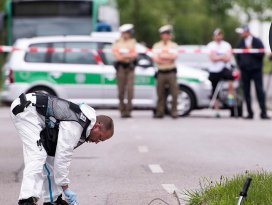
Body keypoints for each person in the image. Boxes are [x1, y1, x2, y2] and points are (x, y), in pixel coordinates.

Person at [10, 92, 114, 205]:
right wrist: (65, 188)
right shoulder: (76, 125)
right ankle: (26, 199)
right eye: (100, 138)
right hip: (26, 111)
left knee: (50, 157)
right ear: (97, 126)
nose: (97, 142)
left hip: (34, 111)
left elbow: (57, 157)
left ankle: (53, 200)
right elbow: (63, 158)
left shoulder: (83, 121)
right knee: (37, 155)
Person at [235, 24, 270, 119]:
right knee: (246, 92)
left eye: (242, 32)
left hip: (256, 70)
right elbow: (237, 55)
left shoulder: (257, 41)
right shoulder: (241, 42)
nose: (240, 34)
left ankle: (263, 113)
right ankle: (250, 113)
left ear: (247, 31)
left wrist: (251, 50)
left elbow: (261, 54)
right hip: (245, 71)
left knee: (259, 91)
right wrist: (240, 65)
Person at [207, 28, 235, 118]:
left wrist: (219, 57)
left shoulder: (226, 45)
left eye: (220, 35)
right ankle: (216, 110)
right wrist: (222, 57)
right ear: (214, 36)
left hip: (224, 68)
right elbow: (213, 59)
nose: (218, 37)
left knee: (231, 78)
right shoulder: (211, 45)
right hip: (214, 70)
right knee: (215, 90)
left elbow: (228, 58)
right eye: (216, 35)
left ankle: (230, 100)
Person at [152, 25, 179, 119]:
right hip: (161, 72)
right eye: (164, 34)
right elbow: (156, 59)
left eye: (167, 34)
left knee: (174, 93)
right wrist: (167, 57)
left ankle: (174, 111)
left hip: (171, 72)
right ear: (161, 35)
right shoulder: (157, 45)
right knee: (160, 93)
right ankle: (160, 112)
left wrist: (162, 57)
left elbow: (173, 57)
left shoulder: (174, 45)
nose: (166, 36)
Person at [112, 24, 137, 118]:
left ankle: (129, 111)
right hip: (121, 68)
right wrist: (127, 54)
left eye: (128, 33)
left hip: (130, 68)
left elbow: (134, 55)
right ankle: (122, 111)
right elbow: (117, 56)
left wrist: (124, 55)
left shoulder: (133, 42)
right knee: (121, 90)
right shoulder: (117, 42)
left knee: (130, 90)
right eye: (125, 33)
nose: (127, 35)